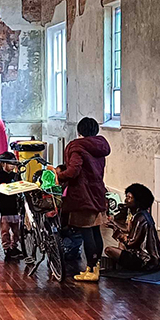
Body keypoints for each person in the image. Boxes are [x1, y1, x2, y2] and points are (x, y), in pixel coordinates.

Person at [55, 117, 111, 282]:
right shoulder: (100, 147)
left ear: (79, 131)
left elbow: (73, 171)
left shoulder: (77, 147)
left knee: (87, 232)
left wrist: (59, 175)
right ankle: (95, 266)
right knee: (95, 231)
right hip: (98, 192)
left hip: (83, 195)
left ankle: (91, 270)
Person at [105, 183, 160, 273]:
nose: (126, 200)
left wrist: (116, 231)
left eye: (129, 198)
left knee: (109, 250)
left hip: (147, 261)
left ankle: (120, 266)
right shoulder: (139, 214)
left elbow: (130, 243)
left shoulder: (141, 218)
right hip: (150, 259)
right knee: (121, 244)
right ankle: (120, 265)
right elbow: (128, 230)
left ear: (137, 200)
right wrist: (113, 224)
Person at [0, 151, 23, 259]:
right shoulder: (0, 176)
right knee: (5, 231)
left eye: (14, 164)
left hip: (15, 207)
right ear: (4, 164)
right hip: (4, 208)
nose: (12, 166)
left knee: (17, 230)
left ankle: (14, 247)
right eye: (10, 164)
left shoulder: (16, 175)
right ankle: (7, 248)